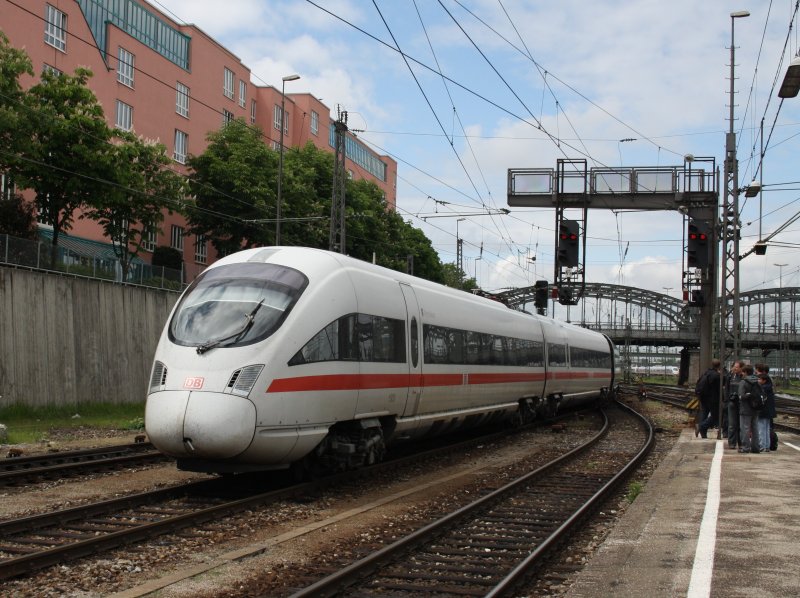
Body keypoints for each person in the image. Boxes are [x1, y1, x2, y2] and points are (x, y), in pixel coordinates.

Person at [737, 364, 760, 453]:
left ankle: (746, 447)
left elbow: (741, 396)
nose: (742, 374)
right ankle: (755, 448)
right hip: (756, 408)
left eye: (743, 372)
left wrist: (747, 395)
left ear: (745, 372)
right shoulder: (757, 381)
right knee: (755, 428)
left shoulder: (743, 382)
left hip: (745, 408)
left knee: (745, 428)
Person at [695, 359, 721, 439]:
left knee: (704, 413)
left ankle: (703, 433)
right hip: (712, 398)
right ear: (719, 366)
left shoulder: (706, 373)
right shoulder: (716, 375)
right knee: (715, 415)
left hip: (703, 397)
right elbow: (718, 389)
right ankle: (701, 426)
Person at [755, 364, 777, 452]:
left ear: (764, 381)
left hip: (763, 410)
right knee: (767, 428)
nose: (758, 380)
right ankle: (767, 446)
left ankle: (762, 445)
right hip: (769, 411)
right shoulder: (769, 387)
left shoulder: (762, 389)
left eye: (759, 379)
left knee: (761, 428)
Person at [724, 360, 744, 449]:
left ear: (741, 368)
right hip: (732, 403)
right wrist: (727, 399)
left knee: (741, 424)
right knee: (732, 424)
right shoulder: (731, 376)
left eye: (737, 367)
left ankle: (741, 443)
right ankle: (732, 443)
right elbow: (726, 388)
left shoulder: (743, 377)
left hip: (741, 403)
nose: (735, 368)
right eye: (734, 366)